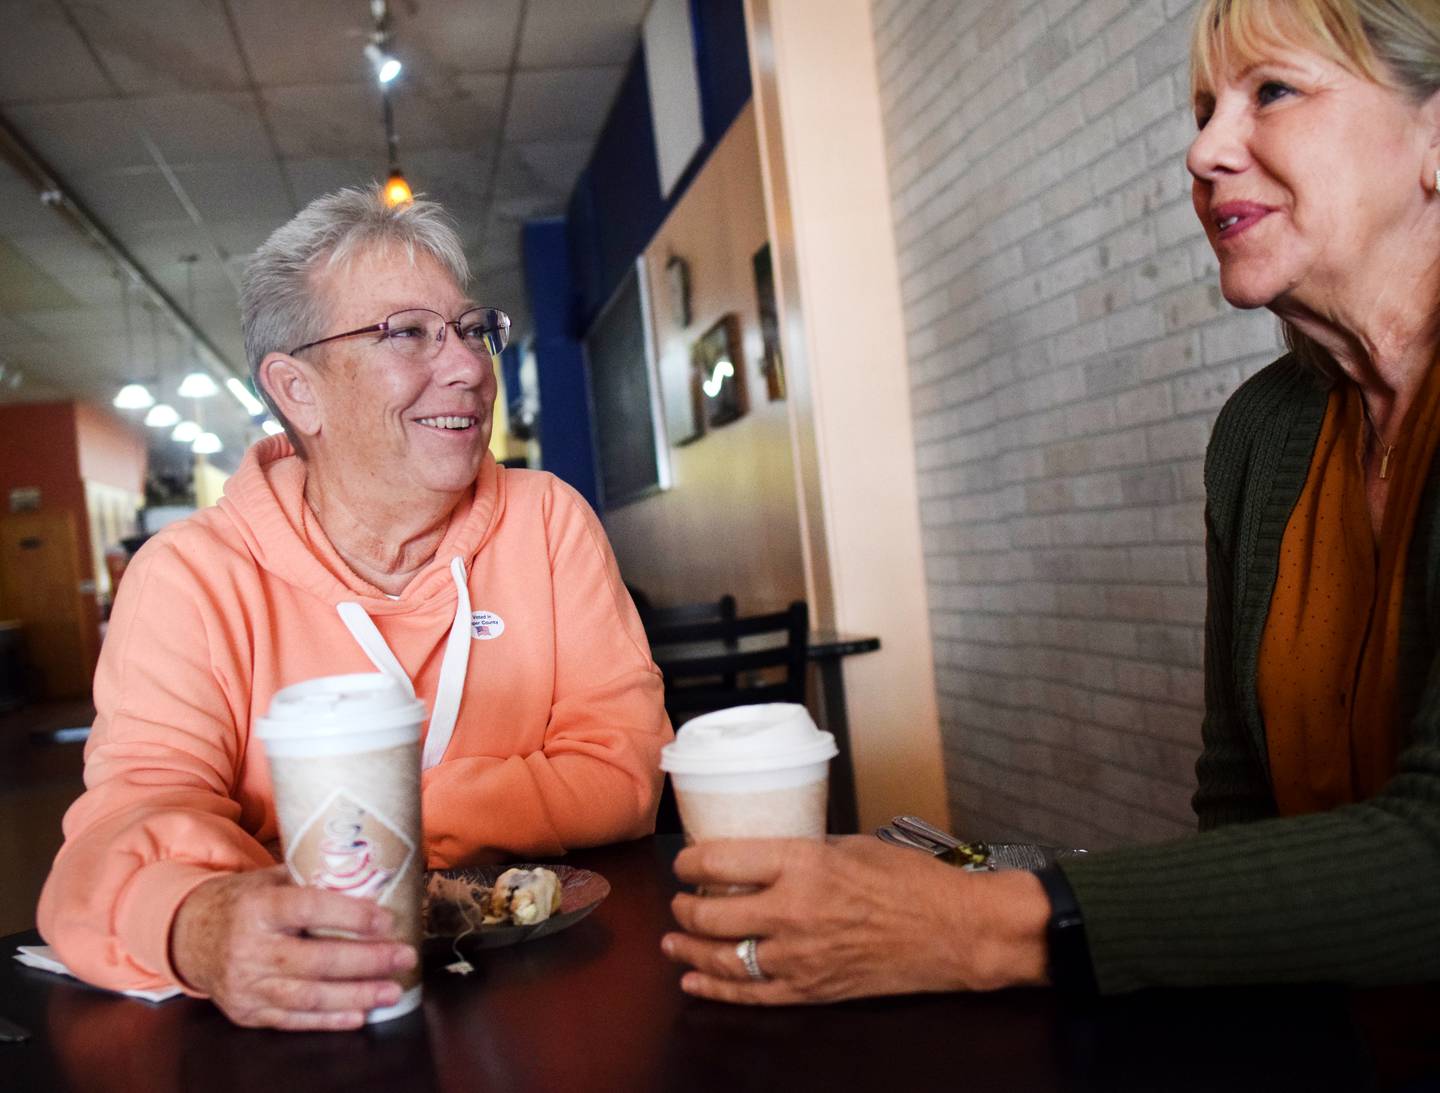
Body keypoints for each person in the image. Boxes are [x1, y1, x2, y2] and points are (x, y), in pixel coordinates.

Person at [662, 0, 1440, 1002]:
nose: (1204, 151)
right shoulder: (1266, 433)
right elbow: (1242, 814)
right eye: (1204, 109)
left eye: (1274, 92)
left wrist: (976, 923)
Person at [38, 186, 671, 1029]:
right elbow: (122, 841)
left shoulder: (546, 520)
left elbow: (623, 773)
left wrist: (357, 834)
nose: (470, 367)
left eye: (472, 329)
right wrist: (195, 924)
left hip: (551, 996)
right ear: (298, 390)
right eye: (408, 332)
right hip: (310, 1012)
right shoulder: (188, 579)